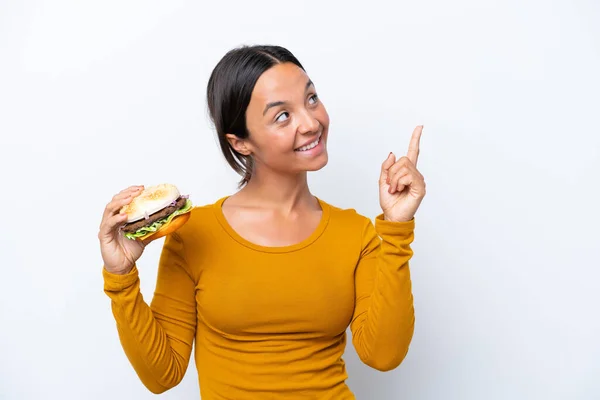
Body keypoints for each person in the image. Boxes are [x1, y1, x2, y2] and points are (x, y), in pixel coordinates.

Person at [98, 45, 426, 399]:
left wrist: (396, 230)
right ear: (240, 142)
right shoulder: (194, 234)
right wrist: (121, 278)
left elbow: (383, 355)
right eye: (282, 116)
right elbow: (162, 375)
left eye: (311, 98)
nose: (311, 122)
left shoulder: (356, 233)